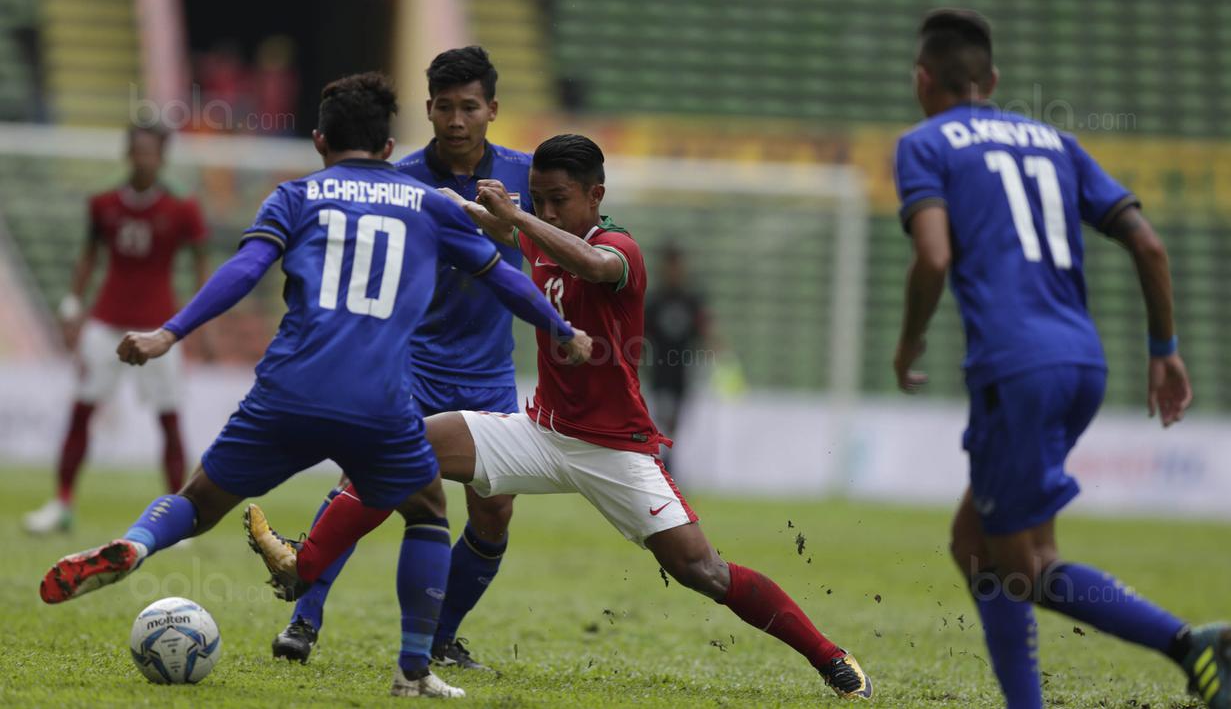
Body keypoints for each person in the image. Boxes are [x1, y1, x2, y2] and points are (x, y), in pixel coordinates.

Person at [246, 134, 874, 700]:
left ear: (596, 194)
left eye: (559, 199)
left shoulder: (619, 248)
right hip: (540, 433)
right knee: (404, 445)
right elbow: (484, 224)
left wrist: (515, 215)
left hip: (614, 449)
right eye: (538, 198)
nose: (546, 211)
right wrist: (439, 203)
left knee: (700, 570)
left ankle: (831, 658)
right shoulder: (539, 230)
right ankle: (303, 567)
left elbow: (590, 264)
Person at [37, 73, 589, 700]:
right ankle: (413, 669)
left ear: (320, 141)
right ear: (388, 146)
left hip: (287, 391)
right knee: (428, 512)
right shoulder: (429, 202)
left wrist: (169, 333)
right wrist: (562, 328)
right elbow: (503, 278)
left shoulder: (296, 196)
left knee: (198, 500)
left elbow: (245, 269)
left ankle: (138, 546)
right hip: (381, 399)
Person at [892, 10, 1228, 709]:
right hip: (1082, 363)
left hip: (1014, 369)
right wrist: (1163, 349)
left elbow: (931, 255)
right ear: (993, 81)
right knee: (975, 541)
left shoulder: (924, 143)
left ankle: (1189, 645)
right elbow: (1148, 245)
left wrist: (909, 339)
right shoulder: (1055, 142)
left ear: (923, 81)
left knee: (1023, 566)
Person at [271, 46, 533, 671]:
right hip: (409, 360)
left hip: (489, 371)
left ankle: (441, 636)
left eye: (469, 106)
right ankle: (303, 619)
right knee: (367, 483)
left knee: (494, 510)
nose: (457, 119)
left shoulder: (527, 178)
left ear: (492, 109)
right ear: (428, 110)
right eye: (444, 107)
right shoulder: (402, 179)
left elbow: (571, 237)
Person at [23, 125, 209, 535]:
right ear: (128, 154)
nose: (144, 159)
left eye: (151, 152)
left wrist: (200, 321)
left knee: (169, 419)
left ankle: (176, 517)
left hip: (160, 329)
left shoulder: (182, 206)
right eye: (138, 151)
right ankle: (62, 504)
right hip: (105, 323)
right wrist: (73, 305)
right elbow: (89, 255)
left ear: (162, 157)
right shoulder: (103, 201)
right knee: (81, 410)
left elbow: (200, 264)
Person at [643, 244, 711, 467]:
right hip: (659, 370)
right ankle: (662, 462)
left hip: (682, 370)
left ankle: (668, 461)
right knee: (661, 416)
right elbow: (642, 335)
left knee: (676, 421)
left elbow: (704, 330)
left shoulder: (692, 300)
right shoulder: (654, 300)